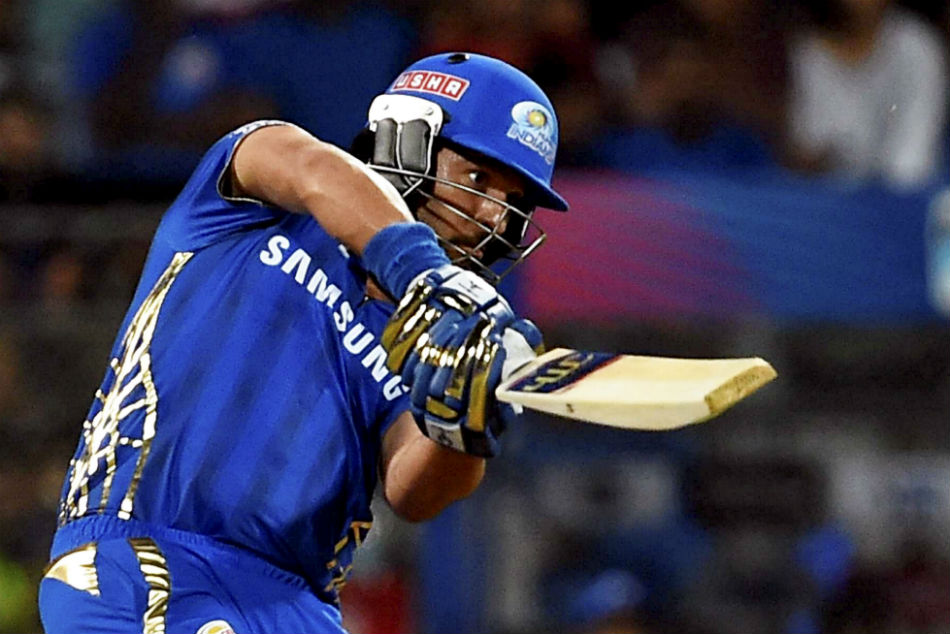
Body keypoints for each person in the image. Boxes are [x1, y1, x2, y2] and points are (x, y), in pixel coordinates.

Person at [37, 51, 568, 634]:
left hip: (299, 604)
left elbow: (414, 493)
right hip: (151, 559)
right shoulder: (256, 200)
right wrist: (422, 272)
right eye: (478, 179)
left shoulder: (430, 332)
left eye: (515, 201)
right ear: (408, 139)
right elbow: (306, 165)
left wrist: (466, 421)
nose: (492, 215)